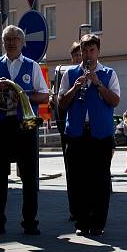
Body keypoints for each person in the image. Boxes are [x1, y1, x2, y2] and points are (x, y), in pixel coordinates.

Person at [0, 25, 49, 237]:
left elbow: (44, 96)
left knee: (30, 176)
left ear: (22, 42)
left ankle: (30, 223)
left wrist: (22, 96)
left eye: (16, 39)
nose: (12, 42)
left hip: (25, 125)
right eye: (8, 39)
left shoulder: (32, 66)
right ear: (3, 42)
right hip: (0, 125)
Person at [57, 34, 121, 236]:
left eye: (92, 50)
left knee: (99, 180)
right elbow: (62, 103)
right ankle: (82, 222)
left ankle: (98, 223)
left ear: (98, 52)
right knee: (78, 180)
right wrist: (76, 87)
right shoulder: (70, 74)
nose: (88, 55)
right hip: (76, 134)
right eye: (84, 51)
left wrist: (98, 84)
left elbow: (115, 101)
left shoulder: (109, 73)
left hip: (100, 135)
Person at [49, 41, 82, 222]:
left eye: (80, 54)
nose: (78, 58)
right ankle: (74, 209)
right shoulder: (66, 74)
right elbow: (58, 100)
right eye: (75, 55)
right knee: (72, 171)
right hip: (68, 126)